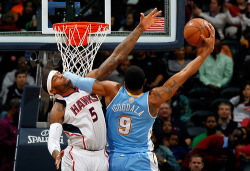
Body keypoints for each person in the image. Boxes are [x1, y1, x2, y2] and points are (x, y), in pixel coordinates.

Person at [64, 22, 215, 170]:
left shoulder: (112, 90)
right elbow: (185, 72)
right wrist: (206, 51)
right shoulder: (153, 98)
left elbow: (114, 57)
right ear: (144, 83)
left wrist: (64, 75)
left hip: (115, 158)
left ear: (123, 83)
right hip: (142, 159)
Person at [42, 8, 164, 171]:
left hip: (102, 155)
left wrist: (139, 29)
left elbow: (116, 57)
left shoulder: (87, 83)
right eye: (55, 77)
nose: (60, 74)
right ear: (52, 90)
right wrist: (56, 153)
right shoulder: (59, 107)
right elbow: (53, 139)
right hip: (78, 155)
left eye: (58, 72)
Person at [0, 98, 21, 171]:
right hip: (5, 165)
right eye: (19, 109)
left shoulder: (16, 124)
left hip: (14, 163)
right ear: (14, 108)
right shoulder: (3, 123)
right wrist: (18, 142)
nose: (20, 112)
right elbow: (2, 142)